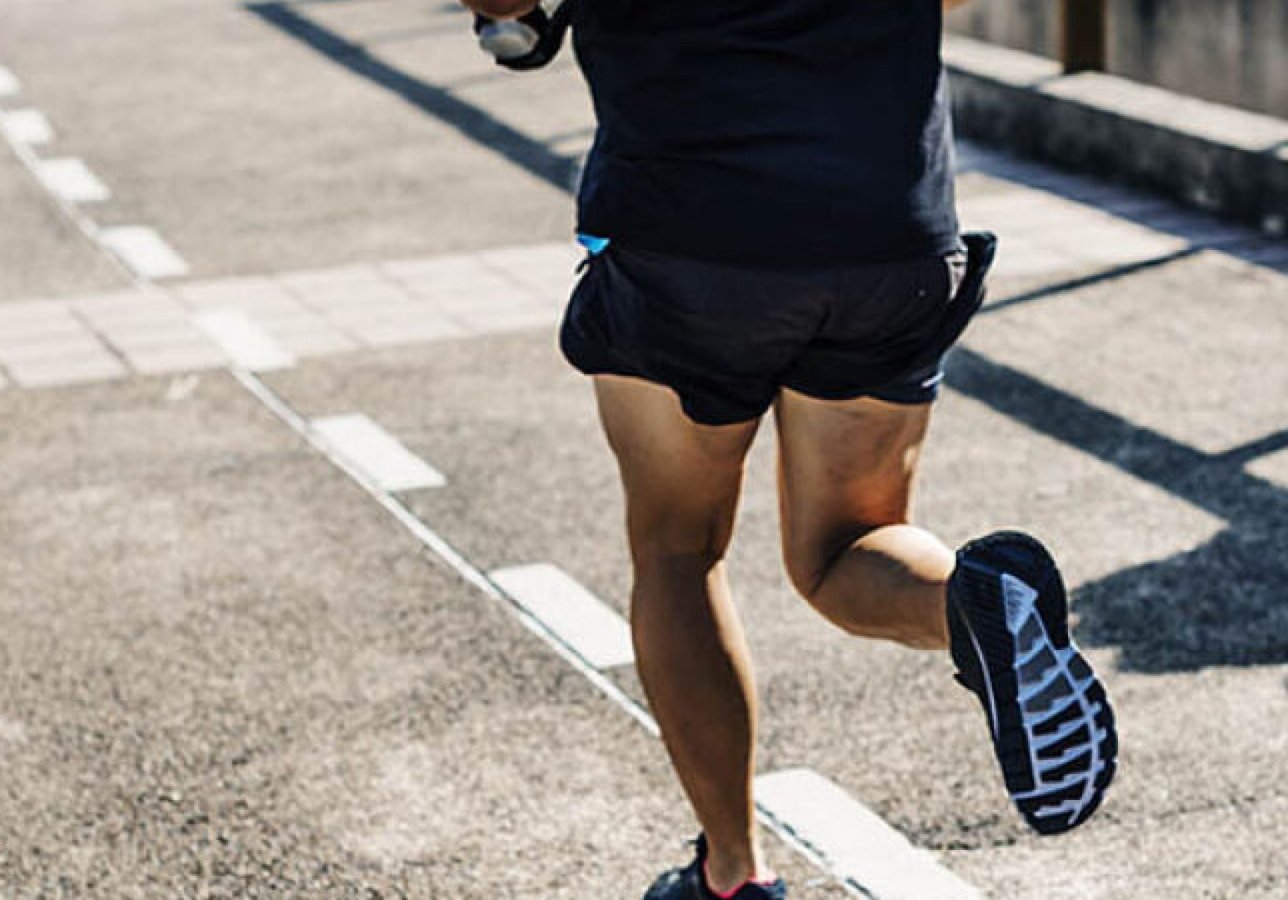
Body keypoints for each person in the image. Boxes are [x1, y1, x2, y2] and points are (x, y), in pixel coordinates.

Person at [459, 1, 1120, 897]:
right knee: (846, 544)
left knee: (678, 550)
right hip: (888, 229)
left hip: (687, 232)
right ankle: (970, 605)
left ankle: (733, 873)